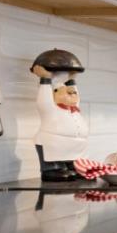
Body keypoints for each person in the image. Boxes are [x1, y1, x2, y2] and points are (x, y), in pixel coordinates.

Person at [30, 48, 88, 181]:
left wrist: (72, 79)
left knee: (70, 160)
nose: (71, 92)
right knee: (54, 161)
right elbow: (43, 99)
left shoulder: (72, 107)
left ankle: (71, 166)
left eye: (71, 91)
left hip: (71, 148)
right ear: (53, 94)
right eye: (64, 90)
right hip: (51, 144)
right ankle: (52, 170)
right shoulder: (50, 108)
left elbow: (75, 96)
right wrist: (45, 78)